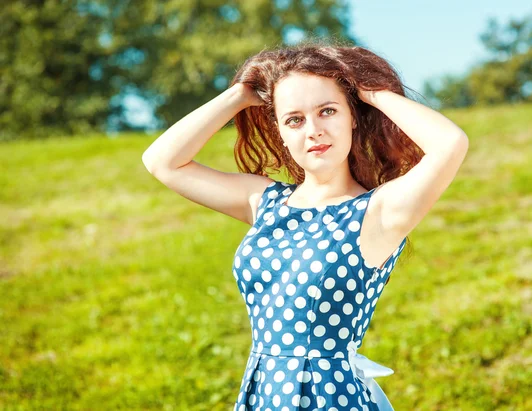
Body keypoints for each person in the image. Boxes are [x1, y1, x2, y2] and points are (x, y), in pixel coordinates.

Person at [142, 40, 469, 410]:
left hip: (330, 398)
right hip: (262, 393)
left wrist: (370, 91)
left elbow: (450, 143)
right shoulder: (265, 202)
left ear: (352, 117)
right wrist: (238, 95)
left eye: (328, 111)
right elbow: (162, 162)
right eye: (294, 119)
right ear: (280, 131)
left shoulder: (379, 212)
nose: (312, 130)